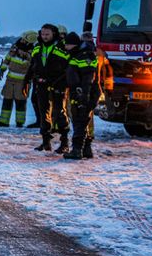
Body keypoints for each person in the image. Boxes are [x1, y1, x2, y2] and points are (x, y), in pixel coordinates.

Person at [28, 23, 70, 152]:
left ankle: (64, 142)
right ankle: (46, 142)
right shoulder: (37, 47)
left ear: (54, 34)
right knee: (43, 112)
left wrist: (62, 82)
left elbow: (68, 67)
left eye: (47, 34)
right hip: (42, 84)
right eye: (42, 34)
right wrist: (27, 80)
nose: (44, 36)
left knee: (60, 112)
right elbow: (33, 65)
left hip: (58, 84)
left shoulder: (61, 47)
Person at [63, 32, 99, 160]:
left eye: (67, 44)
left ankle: (77, 150)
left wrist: (84, 97)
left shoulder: (84, 56)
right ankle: (86, 149)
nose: (65, 47)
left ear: (73, 44)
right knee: (81, 122)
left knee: (80, 122)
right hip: (79, 93)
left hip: (84, 94)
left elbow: (88, 79)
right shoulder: (76, 55)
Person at [0, 30, 36, 127]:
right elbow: (8, 58)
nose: (21, 40)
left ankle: (20, 122)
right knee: (7, 100)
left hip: (23, 82)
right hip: (10, 80)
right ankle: (3, 121)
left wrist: (21, 54)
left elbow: (27, 65)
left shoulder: (32, 52)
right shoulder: (15, 47)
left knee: (20, 102)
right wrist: (3, 69)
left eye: (24, 39)